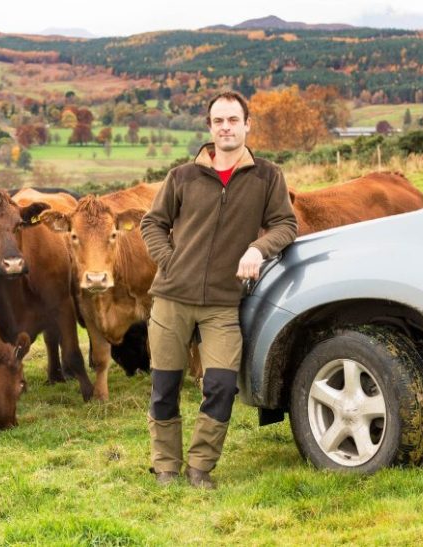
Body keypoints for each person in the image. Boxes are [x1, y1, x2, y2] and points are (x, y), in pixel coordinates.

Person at [140, 90, 297, 488]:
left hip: (224, 304)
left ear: (247, 124)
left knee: (222, 385)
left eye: (233, 120)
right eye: (218, 121)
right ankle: (165, 467)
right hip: (172, 297)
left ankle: (200, 467)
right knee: (165, 386)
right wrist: (170, 260)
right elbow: (151, 224)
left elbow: (285, 225)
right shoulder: (183, 176)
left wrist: (256, 248)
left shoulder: (266, 176)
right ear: (210, 127)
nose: (226, 127)